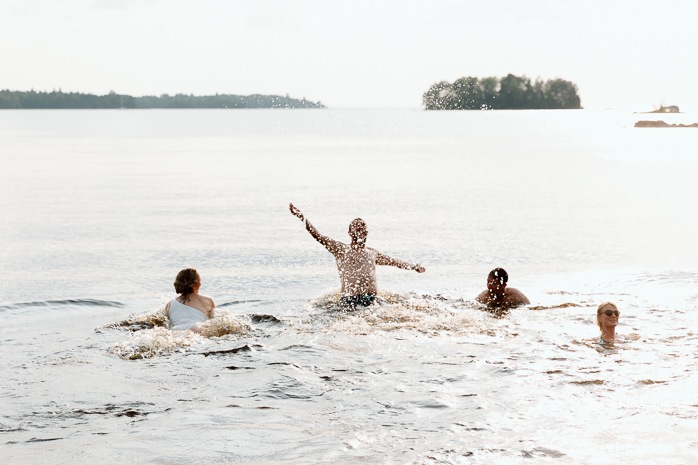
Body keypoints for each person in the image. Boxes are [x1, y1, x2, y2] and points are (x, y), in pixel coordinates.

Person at [289, 203, 425, 308]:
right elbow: (318, 236)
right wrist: (302, 217)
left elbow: (394, 262)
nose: (359, 227)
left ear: (366, 232)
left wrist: (414, 267)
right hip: (349, 301)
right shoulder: (341, 249)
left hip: (372, 300)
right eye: (356, 226)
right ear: (349, 232)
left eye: (362, 226)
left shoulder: (372, 253)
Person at [165, 268, 215, 332]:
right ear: (197, 283)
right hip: (196, 329)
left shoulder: (170, 304)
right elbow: (214, 322)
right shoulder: (207, 301)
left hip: (175, 330)